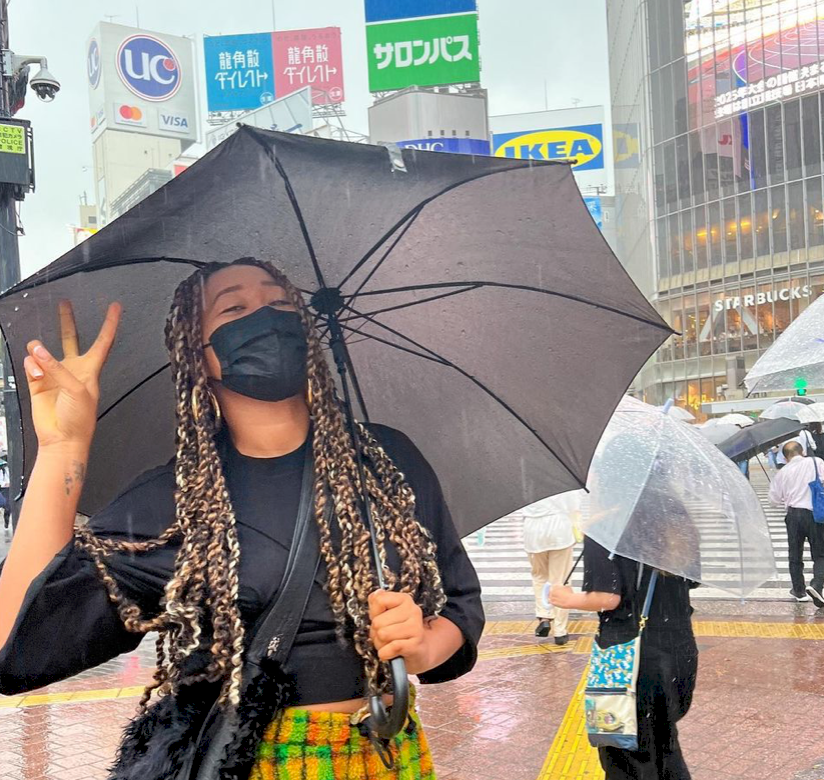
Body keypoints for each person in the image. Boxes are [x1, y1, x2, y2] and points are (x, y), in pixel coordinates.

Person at [0, 258, 484, 778]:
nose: (267, 317)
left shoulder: (388, 458)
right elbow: (15, 642)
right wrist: (61, 447)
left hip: (391, 754)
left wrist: (424, 646)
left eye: (280, 302)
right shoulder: (172, 499)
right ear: (198, 354)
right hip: (252, 760)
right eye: (235, 307)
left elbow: (459, 602)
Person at [549, 537, 698, 779]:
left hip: (629, 656)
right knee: (664, 744)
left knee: (625, 755)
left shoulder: (607, 529)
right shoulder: (677, 520)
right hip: (679, 651)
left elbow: (608, 597)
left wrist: (565, 599)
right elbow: (691, 579)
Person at [521, 490, 582, 645]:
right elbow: (574, 507)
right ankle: (560, 631)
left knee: (539, 576)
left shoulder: (524, 476)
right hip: (559, 527)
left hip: (532, 529)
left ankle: (544, 615)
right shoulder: (563, 477)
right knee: (561, 580)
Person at [769, 440, 824, 605]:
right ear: (803, 452)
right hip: (816, 514)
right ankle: (817, 584)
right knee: (820, 553)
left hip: (793, 515)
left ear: (785, 458)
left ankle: (799, 591)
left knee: (795, 553)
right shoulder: (816, 462)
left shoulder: (782, 472)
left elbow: (774, 500)